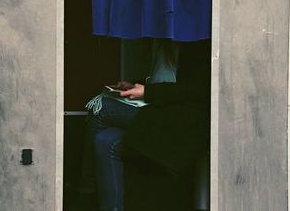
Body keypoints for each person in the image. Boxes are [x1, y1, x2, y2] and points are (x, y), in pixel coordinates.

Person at [75, 38, 211, 211]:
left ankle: (86, 195)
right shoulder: (161, 43)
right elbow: (165, 83)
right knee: (105, 140)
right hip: (160, 111)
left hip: (183, 123)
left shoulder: (197, 43)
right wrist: (136, 85)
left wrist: (147, 92)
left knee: (101, 109)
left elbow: (194, 89)